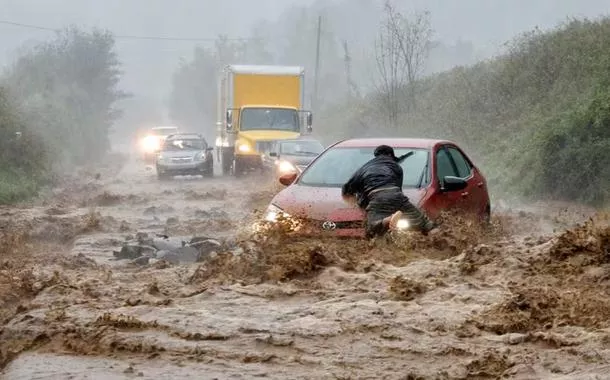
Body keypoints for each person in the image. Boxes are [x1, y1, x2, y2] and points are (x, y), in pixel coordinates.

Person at [341, 145, 437, 239]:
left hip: (377, 197)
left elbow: (346, 190)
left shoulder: (363, 169)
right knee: (425, 223)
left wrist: (356, 204)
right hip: (396, 195)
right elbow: (398, 190)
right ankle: (440, 240)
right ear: (391, 155)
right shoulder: (396, 167)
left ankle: (386, 221)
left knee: (371, 229)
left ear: (376, 155)